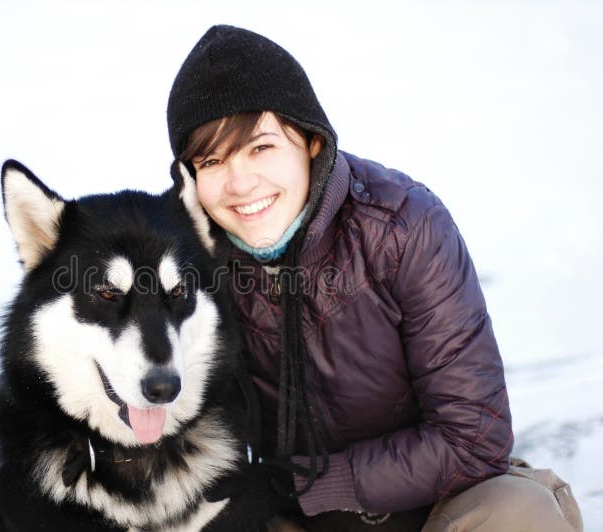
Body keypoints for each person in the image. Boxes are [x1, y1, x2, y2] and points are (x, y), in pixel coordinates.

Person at [165, 24, 583, 531]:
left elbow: (474, 440)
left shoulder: (403, 227)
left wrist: (308, 483)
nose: (240, 183)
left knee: (521, 514)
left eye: (261, 148)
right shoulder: (183, 260)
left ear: (311, 142)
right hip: (293, 519)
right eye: (211, 160)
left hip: (436, 507)